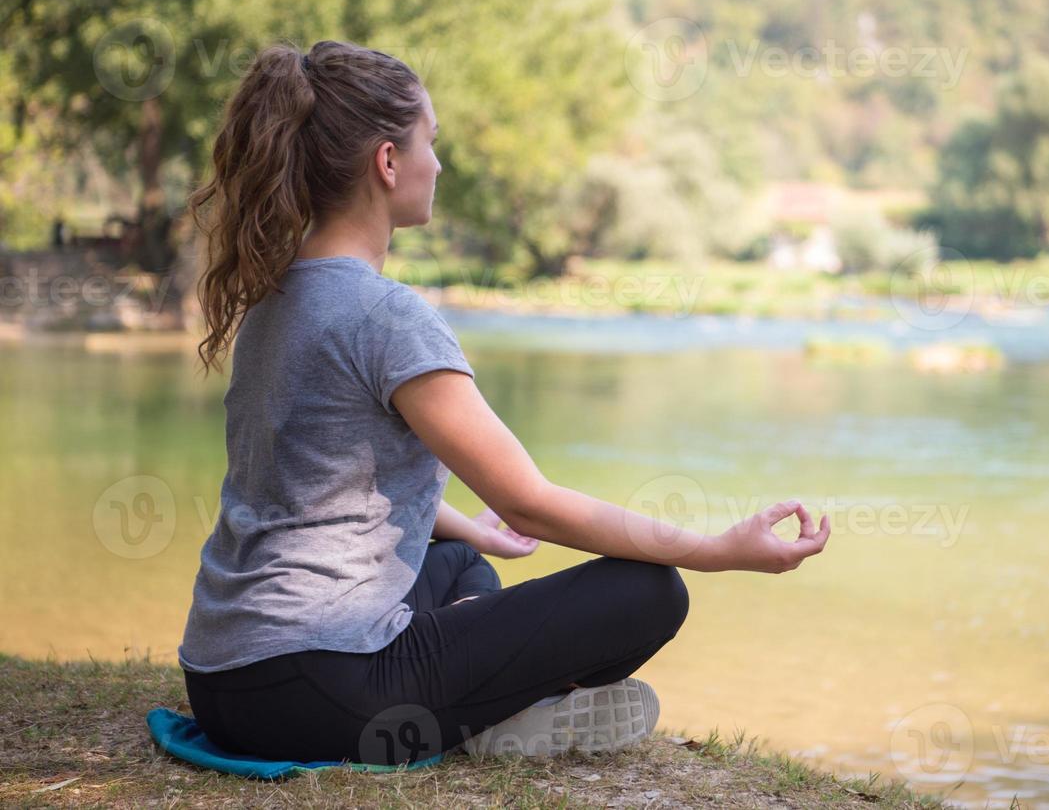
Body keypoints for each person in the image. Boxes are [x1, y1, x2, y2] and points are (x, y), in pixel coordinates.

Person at [177, 40, 831, 765]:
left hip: (222, 683)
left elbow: (304, 486)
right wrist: (718, 550)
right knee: (649, 591)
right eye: (432, 142)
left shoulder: (274, 298)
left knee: (459, 562)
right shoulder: (384, 316)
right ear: (388, 163)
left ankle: (483, 703)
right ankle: (499, 719)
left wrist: (466, 529)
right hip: (325, 692)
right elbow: (530, 503)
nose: (440, 164)